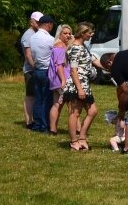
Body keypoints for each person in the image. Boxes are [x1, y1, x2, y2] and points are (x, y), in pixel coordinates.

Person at [64, 23, 102, 151]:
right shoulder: (75, 48)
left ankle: (82, 137)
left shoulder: (83, 46)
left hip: (85, 84)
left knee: (92, 111)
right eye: (89, 33)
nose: (92, 35)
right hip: (77, 85)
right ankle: (74, 141)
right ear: (82, 33)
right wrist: (79, 89)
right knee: (75, 113)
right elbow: (73, 70)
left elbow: (92, 59)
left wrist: (106, 67)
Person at [29, 15, 55, 133]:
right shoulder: (50, 39)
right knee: (47, 99)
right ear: (49, 24)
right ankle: (45, 126)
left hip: (37, 69)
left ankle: (37, 124)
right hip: (46, 71)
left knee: (38, 99)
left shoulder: (32, 38)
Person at [48, 24, 73, 135]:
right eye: (65, 33)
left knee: (57, 103)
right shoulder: (59, 46)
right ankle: (77, 130)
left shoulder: (62, 45)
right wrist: (63, 80)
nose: (68, 35)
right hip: (61, 79)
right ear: (60, 34)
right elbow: (59, 66)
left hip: (58, 79)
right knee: (71, 105)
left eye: (69, 33)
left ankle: (53, 129)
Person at [21, 11, 42, 129]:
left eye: (40, 22)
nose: (39, 24)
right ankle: (29, 121)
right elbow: (28, 56)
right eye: (37, 21)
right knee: (30, 96)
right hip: (30, 70)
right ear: (31, 21)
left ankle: (35, 119)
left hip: (35, 69)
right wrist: (35, 68)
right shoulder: (28, 35)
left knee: (35, 95)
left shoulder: (36, 33)